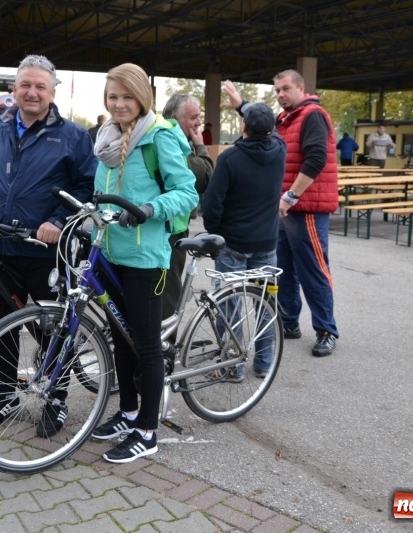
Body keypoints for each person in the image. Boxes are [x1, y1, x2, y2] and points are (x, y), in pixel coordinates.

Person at [0, 54, 97, 432]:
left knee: (51, 328)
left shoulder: (73, 137)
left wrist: (58, 221)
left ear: (52, 92)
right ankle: (6, 394)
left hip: (47, 253)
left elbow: (86, 187)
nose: (32, 92)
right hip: (2, 247)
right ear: (14, 89)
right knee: (1, 326)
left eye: (40, 86)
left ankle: (55, 400)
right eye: (26, 85)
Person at [90, 63, 197, 463]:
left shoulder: (158, 139)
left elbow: (187, 193)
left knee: (148, 346)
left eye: (126, 97)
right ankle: (129, 412)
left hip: (147, 258)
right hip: (112, 254)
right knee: (121, 338)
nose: (119, 104)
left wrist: (148, 208)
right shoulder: (107, 137)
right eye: (112, 97)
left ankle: (147, 431)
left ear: (143, 98)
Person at [223, 70, 340, 357]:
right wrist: (241, 104)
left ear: (301, 88)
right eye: (277, 90)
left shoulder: (312, 115)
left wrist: (290, 196)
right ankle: (288, 322)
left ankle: (326, 330)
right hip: (284, 210)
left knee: (313, 269)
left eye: (286, 88)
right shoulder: (286, 118)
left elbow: (316, 159)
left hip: (306, 208)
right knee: (283, 270)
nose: (280, 94)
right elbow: (259, 119)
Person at [201, 102, 286, 378]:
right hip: (267, 244)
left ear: (243, 127)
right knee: (265, 306)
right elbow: (276, 133)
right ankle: (264, 363)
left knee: (229, 306)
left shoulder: (230, 158)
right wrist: (244, 106)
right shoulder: (280, 151)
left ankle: (232, 366)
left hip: (233, 244)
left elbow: (212, 203)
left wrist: (216, 232)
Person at [160, 94, 213, 323]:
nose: (198, 123)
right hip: (171, 230)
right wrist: (201, 146)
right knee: (167, 296)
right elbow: (206, 177)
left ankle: (162, 352)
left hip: (166, 226)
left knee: (163, 293)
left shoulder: (163, 134)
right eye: (194, 117)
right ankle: (163, 351)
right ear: (175, 118)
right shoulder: (173, 142)